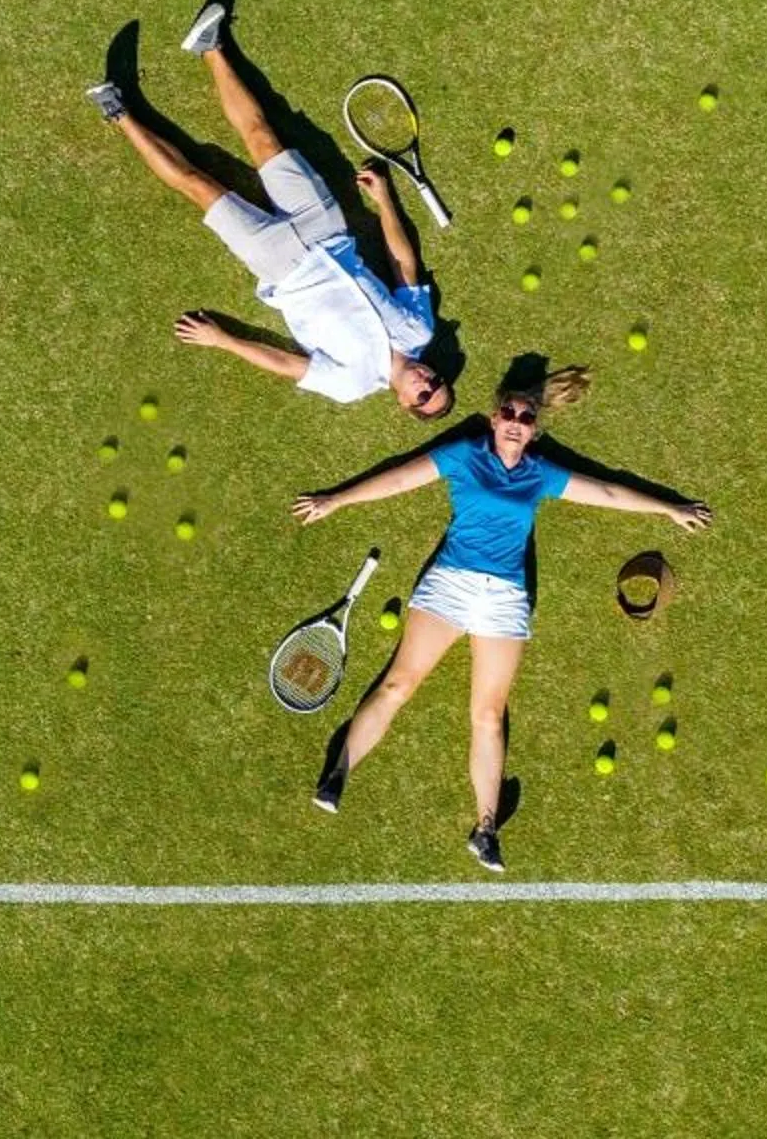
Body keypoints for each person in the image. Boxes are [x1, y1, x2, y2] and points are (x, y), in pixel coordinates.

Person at [289, 365, 713, 871]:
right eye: (508, 413)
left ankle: (485, 828)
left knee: (488, 715)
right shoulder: (465, 455)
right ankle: (338, 774)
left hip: (504, 600)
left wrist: (669, 509)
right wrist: (337, 499)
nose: (515, 420)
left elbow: (609, 493)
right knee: (398, 686)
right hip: (449, 585)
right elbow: (402, 476)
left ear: (534, 427)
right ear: (494, 420)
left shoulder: (541, 475)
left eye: (524, 416)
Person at [85, 0, 450, 417]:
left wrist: (223, 340)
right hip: (328, 229)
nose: (425, 381)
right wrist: (384, 201)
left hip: (281, 265)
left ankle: (117, 112)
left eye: (423, 395)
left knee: (198, 184)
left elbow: (284, 362)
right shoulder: (418, 332)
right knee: (263, 139)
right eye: (435, 380)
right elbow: (403, 264)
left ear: (403, 403)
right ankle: (209, 45)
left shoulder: (351, 384)